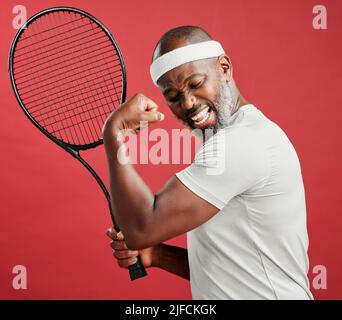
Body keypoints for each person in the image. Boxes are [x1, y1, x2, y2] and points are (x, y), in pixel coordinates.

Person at [103, 26, 313, 300]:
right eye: (174, 97)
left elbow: (142, 228)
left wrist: (114, 133)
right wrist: (157, 254)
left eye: (195, 84)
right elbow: (235, 267)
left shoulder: (241, 143)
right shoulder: (239, 136)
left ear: (224, 68)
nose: (188, 103)